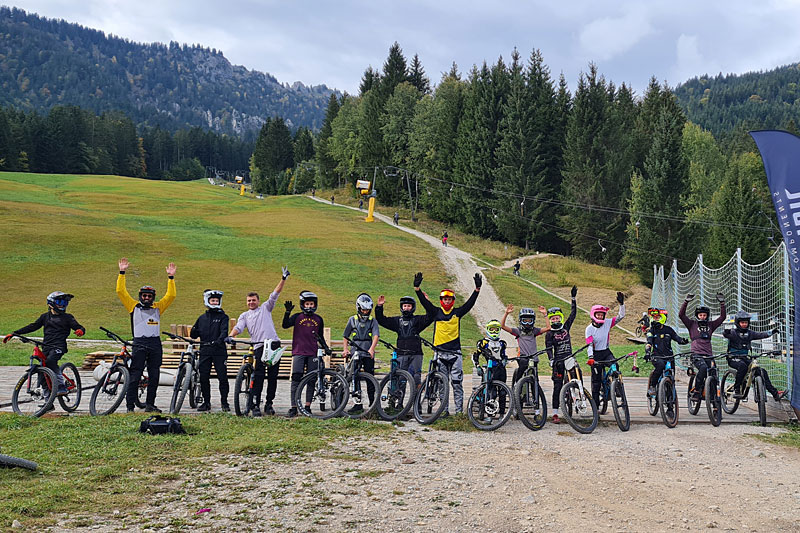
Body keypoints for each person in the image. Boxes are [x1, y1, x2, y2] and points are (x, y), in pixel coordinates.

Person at [414, 271, 481, 415]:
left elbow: (469, 304)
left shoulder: (457, 312)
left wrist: (477, 290)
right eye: (444, 299)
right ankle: (444, 412)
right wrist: (417, 289)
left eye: (449, 299)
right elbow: (425, 303)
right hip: (439, 353)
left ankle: (458, 413)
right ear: (440, 300)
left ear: (453, 301)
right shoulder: (435, 312)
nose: (447, 302)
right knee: (442, 385)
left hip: (455, 354)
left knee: (457, 384)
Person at [116, 258, 177, 413]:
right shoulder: (133, 306)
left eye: (149, 296)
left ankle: (150, 404)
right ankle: (130, 406)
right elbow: (120, 291)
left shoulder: (158, 308)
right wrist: (122, 272)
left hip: (155, 344)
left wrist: (171, 278)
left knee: (154, 376)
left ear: (153, 297)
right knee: (135, 376)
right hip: (139, 344)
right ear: (140, 296)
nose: (147, 298)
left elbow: (171, 296)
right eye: (144, 296)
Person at [228, 267, 290, 417]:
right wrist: (231, 336)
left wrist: (283, 279)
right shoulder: (244, 315)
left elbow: (275, 294)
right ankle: (255, 403)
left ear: (258, 301)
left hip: (273, 344)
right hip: (259, 346)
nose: (251, 302)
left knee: (273, 376)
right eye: (249, 301)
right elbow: (238, 327)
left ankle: (269, 403)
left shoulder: (265, 308)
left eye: (253, 300)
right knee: (259, 376)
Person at [4, 291, 85, 403]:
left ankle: (61, 385)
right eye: (59, 302)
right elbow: (33, 326)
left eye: (65, 302)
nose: (62, 305)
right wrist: (15, 333)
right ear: (51, 303)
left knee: (51, 362)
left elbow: (79, 327)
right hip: (46, 346)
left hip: (59, 346)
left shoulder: (68, 317)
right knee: (42, 372)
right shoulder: (45, 317)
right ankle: (48, 402)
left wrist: (80, 330)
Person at [723, 310, 784, 401]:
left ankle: (775, 394)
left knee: (762, 371)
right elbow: (726, 334)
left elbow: (761, 334)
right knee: (742, 366)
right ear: (737, 323)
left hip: (745, 358)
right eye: (742, 322)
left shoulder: (750, 333)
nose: (744, 324)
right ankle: (737, 389)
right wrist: (726, 333)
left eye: (746, 322)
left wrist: (772, 332)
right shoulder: (733, 333)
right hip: (733, 358)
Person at [375, 294, 433, 389]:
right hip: (402, 354)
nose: (406, 308)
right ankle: (400, 403)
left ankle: (416, 401)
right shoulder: (397, 321)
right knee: (401, 379)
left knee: (416, 377)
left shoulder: (417, 320)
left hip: (416, 354)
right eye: (404, 306)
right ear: (401, 307)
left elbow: (430, 317)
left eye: (409, 306)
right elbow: (382, 320)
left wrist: (427, 303)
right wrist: (379, 307)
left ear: (413, 307)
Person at [283, 290, 324, 417]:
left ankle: (307, 406)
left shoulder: (318, 319)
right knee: (296, 378)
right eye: (307, 304)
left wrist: (325, 348)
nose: (309, 306)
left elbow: (320, 336)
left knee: (311, 380)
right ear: (303, 304)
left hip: (312, 353)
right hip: (299, 352)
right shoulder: (297, 317)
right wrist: (287, 312)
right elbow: (285, 325)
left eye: (311, 304)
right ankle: (294, 406)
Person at [679, 292, 726, 401]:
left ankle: (715, 403)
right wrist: (686, 302)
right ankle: (697, 390)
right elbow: (681, 315)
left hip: (709, 355)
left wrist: (722, 303)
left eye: (704, 315)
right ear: (697, 316)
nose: (702, 317)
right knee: (703, 368)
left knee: (714, 374)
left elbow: (722, 317)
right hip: (696, 354)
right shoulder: (692, 324)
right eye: (700, 315)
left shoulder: (711, 325)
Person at [542, 286, 578, 423]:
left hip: (569, 358)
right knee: (557, 386)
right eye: (553, 319)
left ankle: (579, 395)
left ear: (561, 318)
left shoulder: (566, 327)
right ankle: (555, 413)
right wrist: (551, 360)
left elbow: (573, 314)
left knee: (577, 374)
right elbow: (548, 348)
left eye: (557, 318)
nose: (555, 320)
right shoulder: (549, 333)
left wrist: (573, 299)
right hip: (558, 362)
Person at [585, 291, 626, 409]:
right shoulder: (589, 329)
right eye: (598, 314)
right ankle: (595, 406)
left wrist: (621, 304)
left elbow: (620, 317)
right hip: (595, 355)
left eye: (602, 315)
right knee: (596, 383)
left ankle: (616, 387)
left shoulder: (607, 323)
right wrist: (591, 357)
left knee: (615, 366)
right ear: (593, 315)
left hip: (606, 352)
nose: (600, 316)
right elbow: (589, 345)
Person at [191, 290, 229, 412]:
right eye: (212, 300)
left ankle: (224, 402)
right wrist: (194, 331)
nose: (215, 302)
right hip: (205, 350)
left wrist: (219, 340)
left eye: (216, 300)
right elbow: (194, 333)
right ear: (207, 301)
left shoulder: (223, 317)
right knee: (204, 377)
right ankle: (206, 402)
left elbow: (224, 331)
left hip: (219, 351)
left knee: (222, 377)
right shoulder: (202, 318)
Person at [342, 293, 380, 414]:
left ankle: (373, 403)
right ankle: (358, 404)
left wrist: (372, 349)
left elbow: (376, 335)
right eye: (363, 309)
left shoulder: (372, 321)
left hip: (367, 352)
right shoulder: (352, 320)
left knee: (370, 377)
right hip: (355, 351)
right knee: (355, 377)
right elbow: (345, 336)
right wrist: (345, 349)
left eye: (367, 310)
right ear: (358, 308)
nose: (365, 312)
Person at [499, 303, 551, 389]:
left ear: (533, 321)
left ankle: (536, 398)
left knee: (535, 381)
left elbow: (548, 328)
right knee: (523, 365)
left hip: (533, 357)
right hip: (523, 357)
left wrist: (545, 314)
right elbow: (502, 326)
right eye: (525, 320)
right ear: (520, 320)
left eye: (529, 321)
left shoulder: (535, 331)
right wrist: (506, 313)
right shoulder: (518, 331)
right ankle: (517, 383)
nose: (527, 323)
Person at [644, 308, 688, 397]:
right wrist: (648, 352)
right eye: (654, 317)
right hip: (657, 356)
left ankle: (670, 406)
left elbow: (676, 337)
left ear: (663, 317)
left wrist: (683, 341)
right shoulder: (651, 330)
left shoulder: (669, 330)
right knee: (660, 366)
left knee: (671, 379)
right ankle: (652, 386)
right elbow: (649, 342)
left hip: (669, 356)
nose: (655, 319)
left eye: (658, 317)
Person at [472, 319, 509, 413]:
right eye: (491, 329)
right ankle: (489, 413)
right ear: (487, 329)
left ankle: (502, 413)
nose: (494, 332)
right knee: (491, 392)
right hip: (490, 369)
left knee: (503, 392)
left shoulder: (502, 343)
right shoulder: (483, 343)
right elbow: (475, 355)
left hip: (501, 369)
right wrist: (477, 367)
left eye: (496, 329)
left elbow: (503, 355)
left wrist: (505, 360)